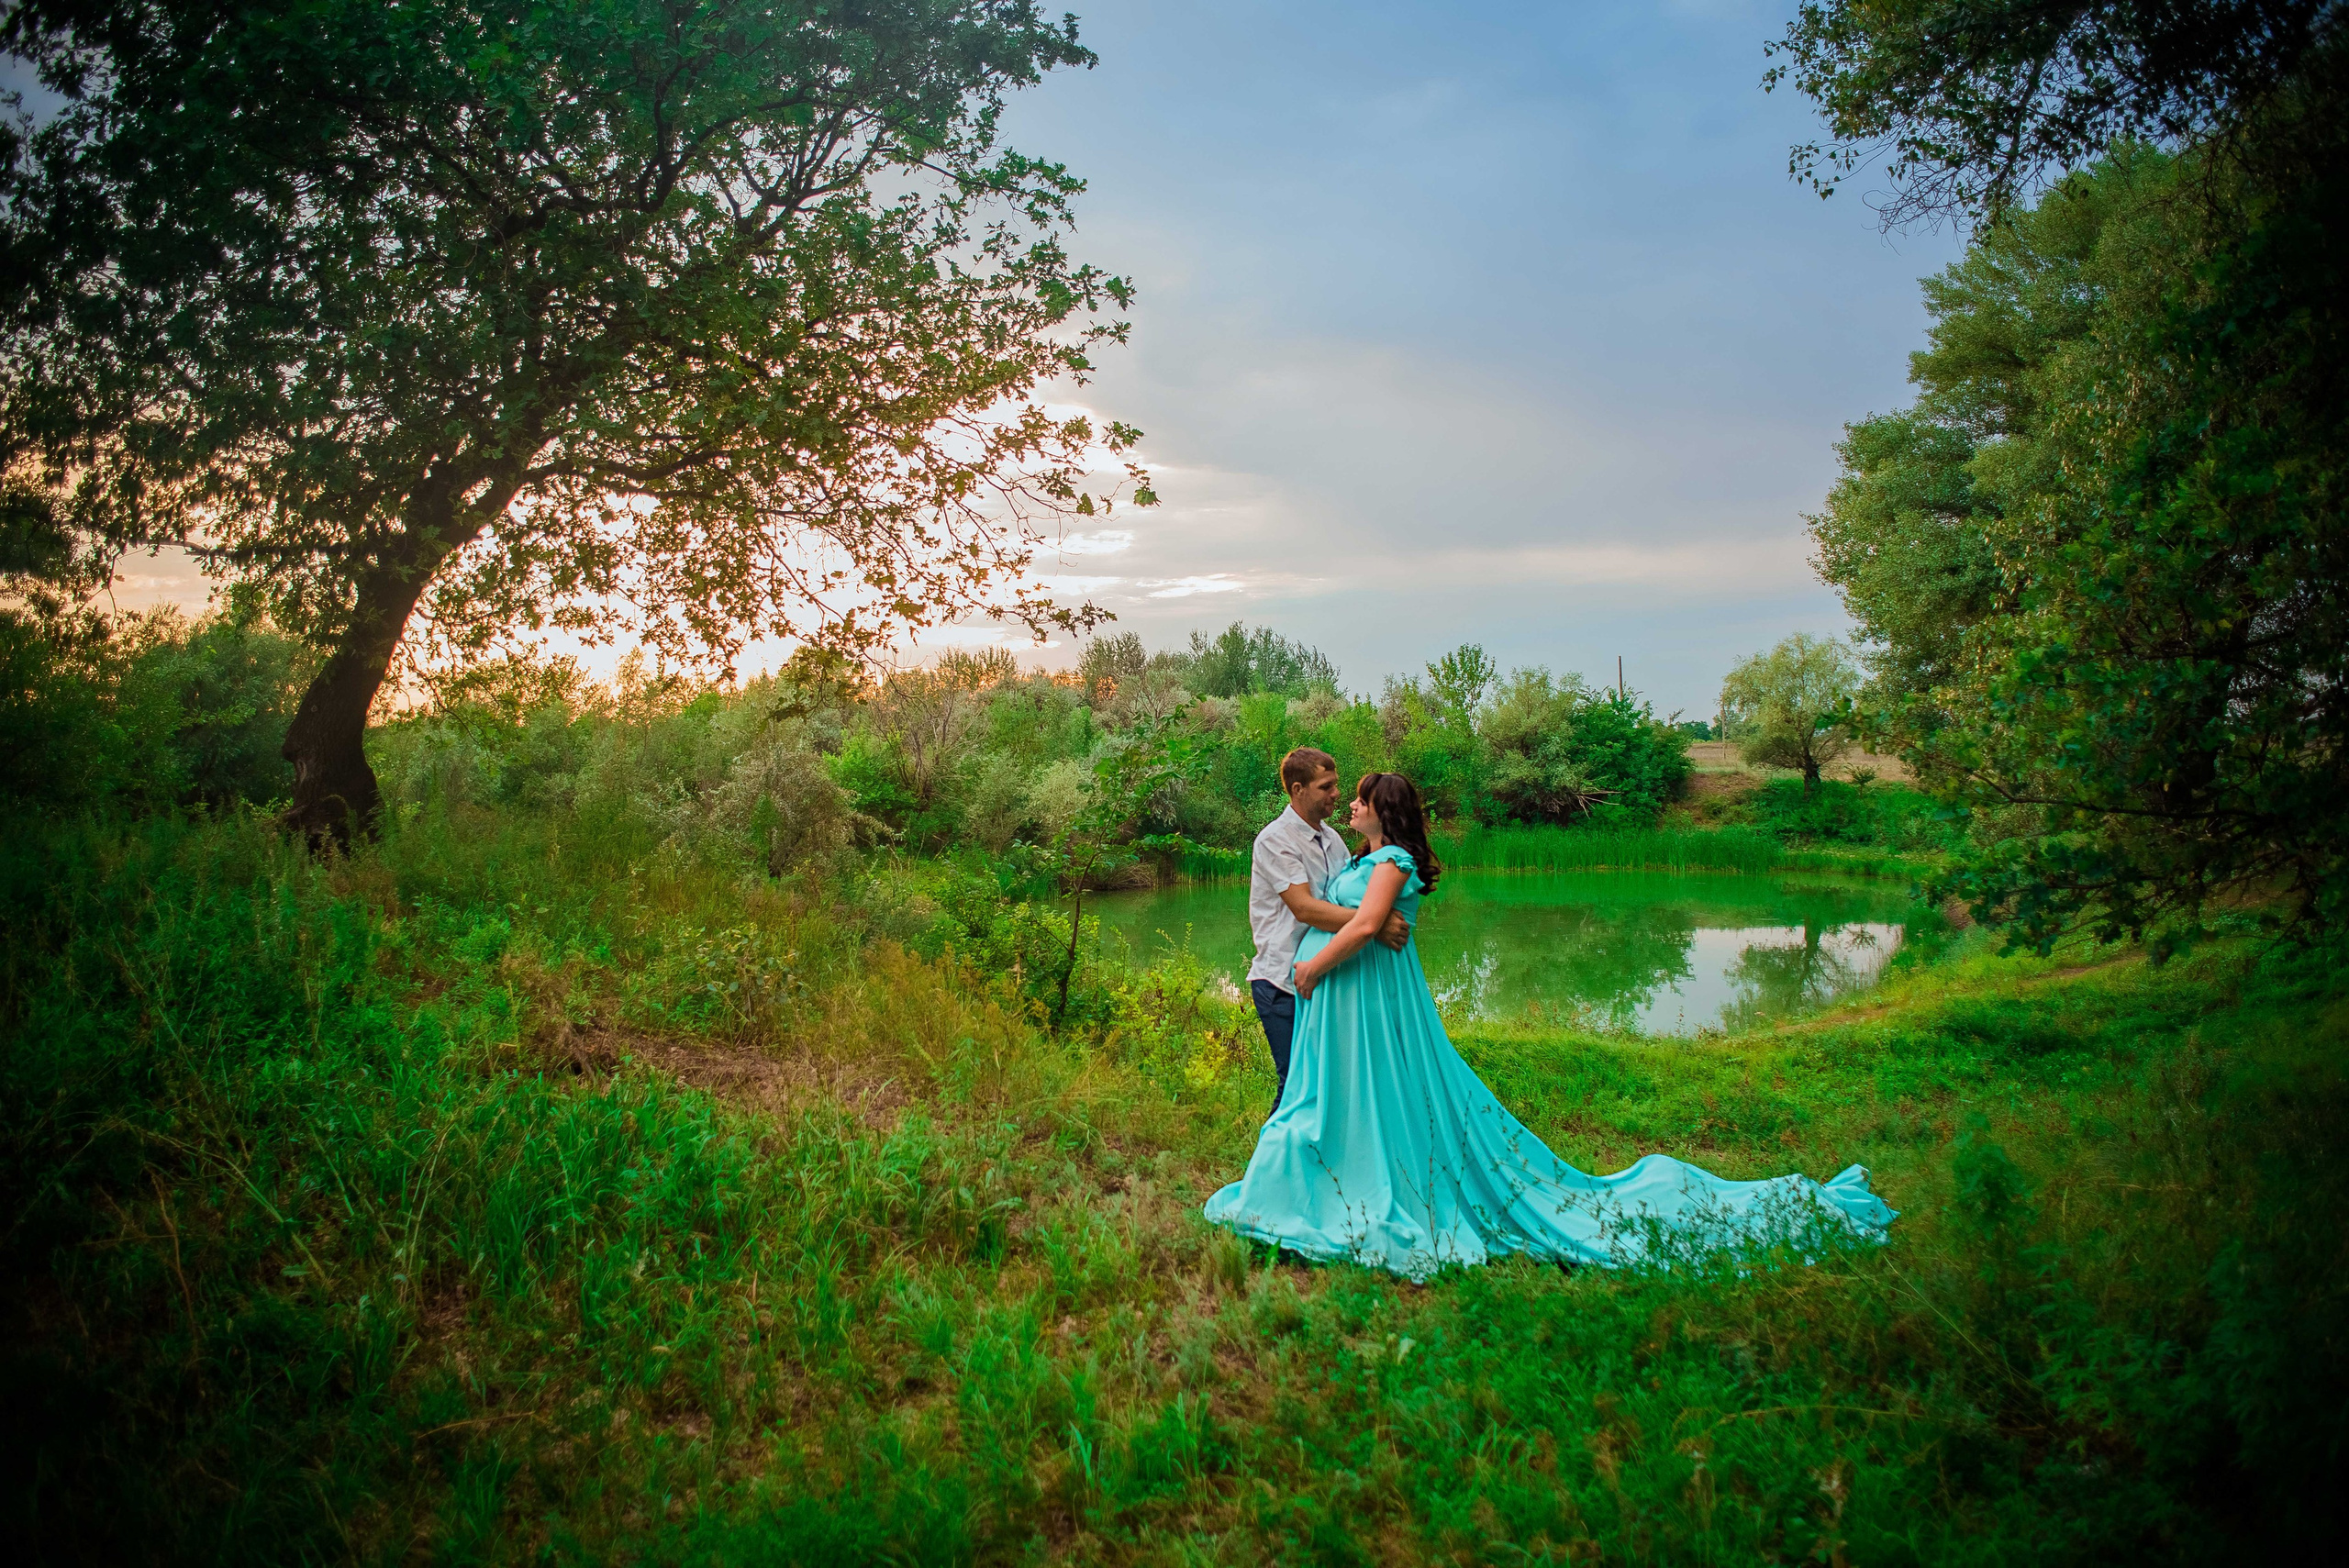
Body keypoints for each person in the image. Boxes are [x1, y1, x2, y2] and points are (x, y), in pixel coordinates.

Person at [1207, 771, 1896, 1280]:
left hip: (1369, 1001)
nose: (1346, 802)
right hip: (1353, 1008)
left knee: (1377, 1102)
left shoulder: (1391, 860)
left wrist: (1314, 966)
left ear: (1379, 811)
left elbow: (1364, 922)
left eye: (1354, 796)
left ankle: (1363, 1191)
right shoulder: (1348, 854)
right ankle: (1323, 1184)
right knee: (1331, 1099)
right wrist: (1341, 946)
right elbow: (1348, 914)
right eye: (1337, 791)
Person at [1247, 748, 1409, 1117]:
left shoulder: (1334, 840)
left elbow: (1358, 890)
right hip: (1283, 981)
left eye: (1336, 785)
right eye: (1327, 786)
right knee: (1297, 1089)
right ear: (1298, 789)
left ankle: (1323, 1169)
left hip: (1324, 978)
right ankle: (1271, 1171)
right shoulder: (1275, 840)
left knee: (1328, 1085)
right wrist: (1374, 923)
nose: (1337, 794)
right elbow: (1305, 908)